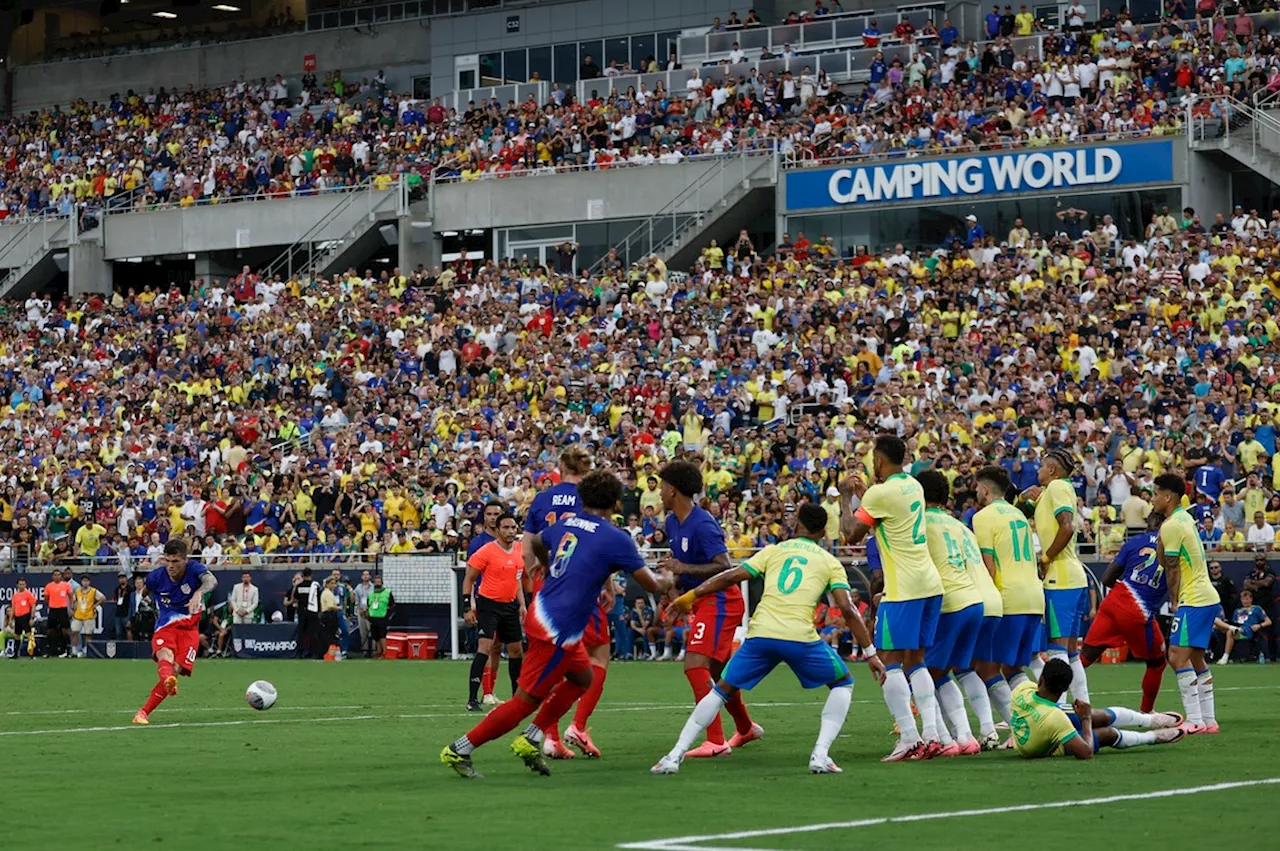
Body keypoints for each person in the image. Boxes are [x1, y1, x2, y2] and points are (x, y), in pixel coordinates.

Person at [440, 470, 674, 779]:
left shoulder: (566, 524)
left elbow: (537, 541)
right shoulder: (616, 537)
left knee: (582, 678)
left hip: (547, 613)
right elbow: (651, 583)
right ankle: (460, 748)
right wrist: (669, 577)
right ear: (616, 502)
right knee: (525, 701)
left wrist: (547, 567)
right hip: (557, 628)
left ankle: (533, 737)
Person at [651, 504, 885, 775]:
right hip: (800, 637)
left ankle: (673, 755)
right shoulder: (829, 561)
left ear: (795, 525)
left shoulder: (773, 551)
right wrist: (870, 654)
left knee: (720, 690)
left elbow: (730, 576)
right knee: (843, 683)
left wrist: (689, 597)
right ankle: (820, 755)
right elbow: (848, 609)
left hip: (761, 635)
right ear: (822, 533)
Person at [838, 434, 946, 761]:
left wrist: (846, 498)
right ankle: (931, 735)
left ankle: (910, 738)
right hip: (930, 584)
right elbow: (887, 515)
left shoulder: (879, 493)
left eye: (874, 459)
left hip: (904, 589)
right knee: (916, 660)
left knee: (888, 661)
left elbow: (851, 533)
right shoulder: (913, 485)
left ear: (880, 461)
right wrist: (867, 496)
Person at [658, 460, 758, 759]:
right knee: (716, 672)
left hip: (721, 600)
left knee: (694, 665)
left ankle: (715, 741)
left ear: (672, 490)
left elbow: (724, 566)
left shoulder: (702, 523)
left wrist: (681, 567)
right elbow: (681, 569)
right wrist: (672, 586)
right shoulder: (673, 522)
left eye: (662, 485)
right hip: (703, 600)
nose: (659, 491)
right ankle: (745, 728)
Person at [917, 470, 987, 756]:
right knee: (945, 672)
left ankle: (945, 739)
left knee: (921, 673)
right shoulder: (958, 524)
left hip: (947, 603)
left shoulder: (917, 522)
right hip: (973, 600)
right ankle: (966, 736)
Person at [971, 465, 1041, 737]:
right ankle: (1032, 721)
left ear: (985, 490)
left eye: (977, 487)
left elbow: (989, 567)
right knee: (1013, 668)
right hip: (1033, 597)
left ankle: (1025, 727)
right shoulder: (1019, 515)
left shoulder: (983, 517)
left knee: (984, 667)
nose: (976, 492)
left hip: (1008, 598)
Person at [1020, 448, 1092, 707]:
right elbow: (1019, 509)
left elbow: (1067, 526)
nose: (1037, 471)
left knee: (1057, 649)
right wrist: (1023, 496)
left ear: (1052, 470)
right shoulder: (1052, 492)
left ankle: (1058, 708)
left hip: (1060, 578)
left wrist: (1046, 557)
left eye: (1040, 467)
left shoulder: (1058, 487)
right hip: (1072, 577)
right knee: (1071, 651)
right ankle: (1082, 703)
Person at [1153, 473, 1221, 734]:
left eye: (1156, 493)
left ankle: (1194, 719)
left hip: (1192, 598)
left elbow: (1170, 568)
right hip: (1206, 597)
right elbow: (1165, 559)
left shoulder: (1172, 525)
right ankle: (1209, 720)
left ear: (1167, 496)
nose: (1154, 498)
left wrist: (1173, 600)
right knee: (1195, 658)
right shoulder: (1183, 520)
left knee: (1176, 657)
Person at [1010, 658, 1184, 759]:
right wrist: (1085, 719)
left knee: (1097, 716)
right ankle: (1151, 737)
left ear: (1041, 679)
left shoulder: (1022, 690)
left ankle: (1150, 720)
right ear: (1064, 690)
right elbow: (1085, 752)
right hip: (1052, 746)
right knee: (1106, 733)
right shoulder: (1055, 718)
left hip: (1038, 726)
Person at [1080, 512, 1168, 711]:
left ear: (1149, 525)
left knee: (1084, 658)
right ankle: (1147, 712)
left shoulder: (1134, 542)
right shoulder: (1172, 546)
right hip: (1138, 609)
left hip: (1115, 601)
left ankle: (1046, 697)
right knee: (1157, 663)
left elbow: (1107, 578)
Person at [133, 539, 217, 724]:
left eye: (175, 561)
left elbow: (211, 581)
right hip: (166, 625)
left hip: (189, 629)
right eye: (167, 561)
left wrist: (198, 593)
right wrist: (145, 600)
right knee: (165, 655)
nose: (170, 566)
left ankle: (165, 684)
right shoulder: (156, 577)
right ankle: (143, 713)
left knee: (176, 670)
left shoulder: (194, 569)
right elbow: (145, 591)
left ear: (185, 560)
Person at [462, 513, 527, 711]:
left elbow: (517, 581)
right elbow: (469, 579)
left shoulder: (519, 550)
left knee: (516, 651)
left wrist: (522, 605)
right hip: (488, 605)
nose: (510, 531)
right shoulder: (486, 551)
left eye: (513, 528)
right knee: (485, 648)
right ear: (497, 530)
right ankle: (472, 699)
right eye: (506, 528)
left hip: (509, 606)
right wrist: (467, 606)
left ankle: (517, 698)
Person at [469, 503, 504, 704]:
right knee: (487, 646)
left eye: (496, 514)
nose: (492, 518)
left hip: (505, 601)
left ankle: (491, 690)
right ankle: (486, 692)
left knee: (498, 646)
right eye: (489, 514)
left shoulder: (508, 543)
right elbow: (470, 575)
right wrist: (471, 601)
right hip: (485, 600)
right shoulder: (478, 542)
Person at [1216, 589, 1272, 663]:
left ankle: (1225, 658)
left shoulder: (1257, 608)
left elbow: (1269, 621)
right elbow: (1234, 622)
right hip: (1237, 628)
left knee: (1230, 631)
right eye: (1243, 599)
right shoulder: (1237, 611)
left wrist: (1259, 625)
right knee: (1219, 629)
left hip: (1247, 631)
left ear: (1251, 599)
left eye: (1247, 599)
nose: (1245, 601)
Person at [70, 575, 105, 658]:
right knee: (74, 632)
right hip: (78, 615)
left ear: (89, 582)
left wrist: (95, 605)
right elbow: (74, 601)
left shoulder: (93, 591)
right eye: (84, 581)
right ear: (81, 582)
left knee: (88, 634)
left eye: (87, 581)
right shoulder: (78, 591)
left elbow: (103, 598)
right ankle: (74, 651)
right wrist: (73, 609)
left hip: (89, 615)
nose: (85, 583)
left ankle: (86, 650)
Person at [291, 568, 321, 659]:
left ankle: (300, 653)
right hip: (312, 611)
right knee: (314, 633)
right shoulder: (315, 586)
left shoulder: (299, 586)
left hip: (302, 611)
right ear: (311, 574)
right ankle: (314, 653)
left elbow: (295, 598)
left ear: (303, 575)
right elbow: (319, 598)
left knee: (301, 633)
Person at [43, 569, 73, 658]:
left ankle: (66, 650)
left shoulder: (66, 585)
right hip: (53, 609)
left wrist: (71, 608)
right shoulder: (49, 586)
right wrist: (50, 605)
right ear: (52, 576)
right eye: (55, 575)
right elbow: (46, 598)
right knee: (50, 630)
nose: (57, 576)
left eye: (59, 575)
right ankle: (50, 650)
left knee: (64, 631)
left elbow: (71, 597)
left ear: (61, 576)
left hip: (62, 610)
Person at [366, 575, 394, 658]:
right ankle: (379, 652)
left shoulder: (387, 592)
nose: (377, 583)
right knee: (375, 636)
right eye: (376, 582)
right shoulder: (371, 594)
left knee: (382, 635)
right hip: (373, 617)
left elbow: (392, 604)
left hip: (382, 617)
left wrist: (387, 613)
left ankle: (385, 652)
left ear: (382, 583)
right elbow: (368, 604)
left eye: (379, 582)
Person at [10, 578, 35, 657]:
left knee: (29, 635)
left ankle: (31, 654)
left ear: (25, 585)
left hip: (25, 616)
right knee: (17, 635)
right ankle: (15, 653)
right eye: (20, 584)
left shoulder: (28, 594)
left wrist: (32, 618)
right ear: (17, 585)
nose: (22, 586)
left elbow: (33, 606)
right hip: (18, 617)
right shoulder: (15, 595)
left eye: (23, 584)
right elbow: (13, 608)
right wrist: (11, 619)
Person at [354, 570, 375, 656]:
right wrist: (360, 610)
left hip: (371, 612)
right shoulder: (358, 587)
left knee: (373, 632)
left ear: (370, 576)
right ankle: (365, 651)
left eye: (367, 574)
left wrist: (368, 609)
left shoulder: (373, 587)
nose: (365, 576)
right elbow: (356, 600)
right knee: (363, 633)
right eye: (364, 575)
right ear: (362, 577)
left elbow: (375, 600)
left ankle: (374, 651)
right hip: (361, 612)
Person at [320, 576, 341, 656]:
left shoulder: (327, 592)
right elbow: (329, 606)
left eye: (334, 583)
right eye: (332, 583)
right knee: (330, 635)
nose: (334, 585)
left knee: (328, 634)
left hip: (327, 615)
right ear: (327, 584)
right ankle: (329, 652)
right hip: (329, 615)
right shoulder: (328, 593)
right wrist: (338, 608)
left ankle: (329, 652)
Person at [110, 572, 132, 641]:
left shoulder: (130, 589)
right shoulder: (117, 589)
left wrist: (130, 617)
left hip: (126, 613)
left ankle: (130, 647)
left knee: (128, 631)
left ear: (126, 579)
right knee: (118, 633)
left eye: (123, 578)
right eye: (120, 578)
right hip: (118, 614)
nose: (121, 580)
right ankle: (119, 648)